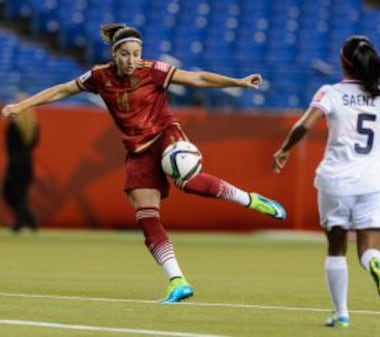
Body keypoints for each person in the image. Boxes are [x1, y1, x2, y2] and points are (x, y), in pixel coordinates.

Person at [1, 23, 286, 303]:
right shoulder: (100, 77)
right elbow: (62, 90)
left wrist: (237, 82)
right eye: (126, 54)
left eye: (137, 53)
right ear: (115, 54)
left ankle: (250, 199)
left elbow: (196, 79)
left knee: (187, 179)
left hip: (166, 136)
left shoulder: (154, 71)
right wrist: (22, 105)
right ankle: (178, 281)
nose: (132, 60)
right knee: (146, 217)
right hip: (137, 151)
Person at [272, 35, 380, 327]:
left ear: (343, 62)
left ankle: (341, 313)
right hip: (374, 182)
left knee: (336, 248)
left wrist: (284, 150)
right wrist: (370, 163)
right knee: (369, 249)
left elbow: (304, 125)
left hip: (337, 181)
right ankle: (377, 267)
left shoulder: (330, 92)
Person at [3, 93, 39, 233]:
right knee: (21, 194)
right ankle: (28, 220)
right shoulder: (33, 125)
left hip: (15, 162)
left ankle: (22, 221)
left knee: (9, 193)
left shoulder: (14, 125)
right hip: (27, 162)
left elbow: (9, 145)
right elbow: (34, 144)